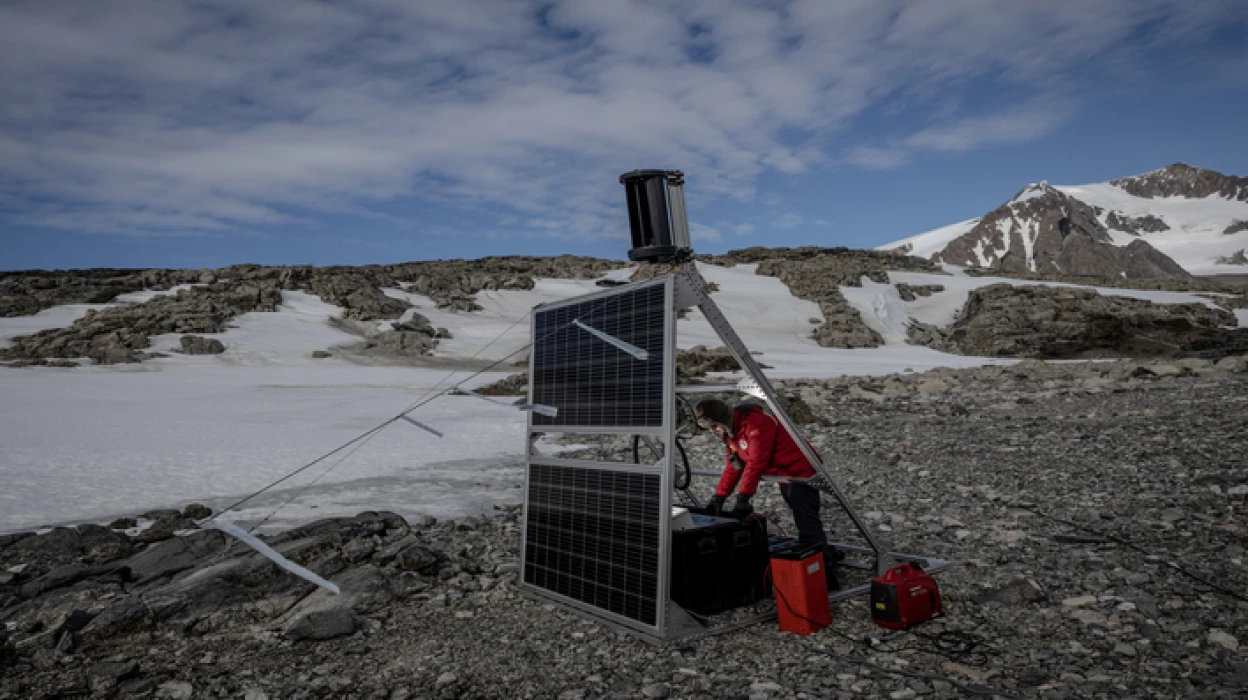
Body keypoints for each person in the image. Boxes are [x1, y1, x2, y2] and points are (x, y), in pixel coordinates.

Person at [696, 398, 840, 589]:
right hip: (785, 477)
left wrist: (743, 497)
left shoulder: (757, 424)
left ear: (723, 420)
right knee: (803, 517)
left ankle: (825, 577)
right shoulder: (734, 434)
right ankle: (828, 555)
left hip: (801, 474)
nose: (713, 431)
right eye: (710, 427)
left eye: (714, 426)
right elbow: (734, 466)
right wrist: (719, 497)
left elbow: (756, 462)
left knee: (807, 524)